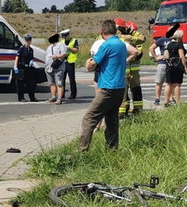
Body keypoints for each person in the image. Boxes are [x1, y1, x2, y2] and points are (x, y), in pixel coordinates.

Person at [79, 19, 137, 152]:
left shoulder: (106, 45)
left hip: (107, 88)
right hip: (119, 88)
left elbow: (93, 64)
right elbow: (132, 53)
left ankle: (82, 151)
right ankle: (112, 149)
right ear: (115, 31)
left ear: (102, 32)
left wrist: (88, 62)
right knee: (111, 120)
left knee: (89, 118)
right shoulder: (121, 44)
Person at [118, 21, 146, 116]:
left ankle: (124, 110)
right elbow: (139, 50)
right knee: (134, 90)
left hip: (128, 70)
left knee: (125, 91)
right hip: (131, 70)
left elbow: (139, 53)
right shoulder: (129, 38)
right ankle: (135, 109)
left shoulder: (117, 38)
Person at [163, 29, 187, 106]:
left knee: (168, 84)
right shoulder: (179, 44)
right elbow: (182, 56)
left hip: (169, 66)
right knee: (177, 84)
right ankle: (178, 102)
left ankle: (166, 101)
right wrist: (185, 66)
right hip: (177, 66)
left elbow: (166, 55)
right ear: (180, 36)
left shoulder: (169, 44)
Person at [14, 34, 38, 102]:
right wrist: (15, 66)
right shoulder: (21, 48)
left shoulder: (31, 49)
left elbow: (31, 58)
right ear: (25, 41)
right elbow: (17, 58)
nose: (28, 41)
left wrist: (32, 61)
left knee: (30, 84)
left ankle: (32, 97)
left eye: (29, 40)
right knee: (20, 84)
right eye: (27, 40)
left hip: (28, 68)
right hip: (21, 67)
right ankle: (21, 98)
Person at [45, 33, 68, 104]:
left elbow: (64, 54)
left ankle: (59, 98)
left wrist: (57, 56)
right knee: (51, 83)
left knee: (59, 83)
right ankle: (53, 97)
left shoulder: (61, 45)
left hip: (58, 67)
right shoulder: (49, 47)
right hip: (49, 67)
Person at [61, 28, 79, 99]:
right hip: (63, 62)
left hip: (70, 62)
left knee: (72, 79)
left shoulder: (74, 40)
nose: (65, 38)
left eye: (65, 36)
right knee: (62, 79)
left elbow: (76, 50)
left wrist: (69, 48)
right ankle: (62, 94)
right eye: (63, 37)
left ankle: (73, 94)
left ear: (68, 35)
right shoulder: (62, 41)